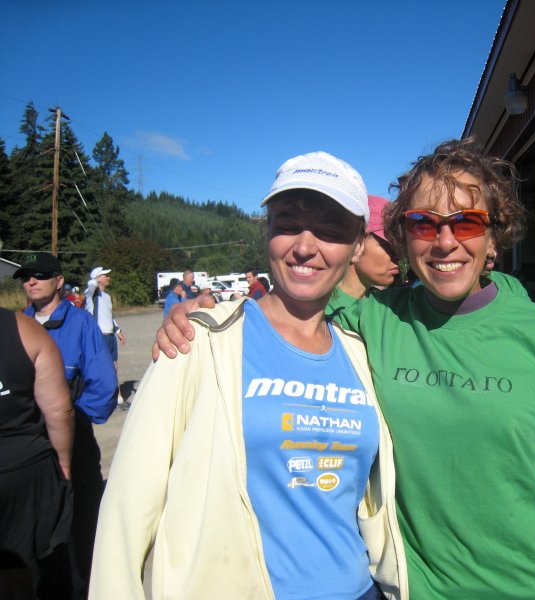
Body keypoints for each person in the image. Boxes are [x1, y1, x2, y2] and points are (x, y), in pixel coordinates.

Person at [156, 139, 535, 598]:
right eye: (422, 223)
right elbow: (288, 305)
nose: (445, 241)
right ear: (400, 237)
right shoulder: (373, 320)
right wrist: (207, 311)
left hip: (532, 585)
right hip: (417, 590)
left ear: (494, 235)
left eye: (468, 222)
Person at [90, 151, 406, 600]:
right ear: (268, 233)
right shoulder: (199, 341)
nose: (304, 246)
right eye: (288, 223)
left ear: (357, 246)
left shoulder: (361, 353)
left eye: (331, 231)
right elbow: (126, 506)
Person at [14, 252, 118, 598]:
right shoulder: (15, 326)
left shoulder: (81, 325)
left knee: (83, 525)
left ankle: (93, 587)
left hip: (75, 443)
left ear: (59, 281)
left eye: (40, 275)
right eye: (26, 276)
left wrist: (69, 419)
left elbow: (103, 387)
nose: (31, 281)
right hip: (30, 450)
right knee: (37, 534)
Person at [0, 308, 74, 600]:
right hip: (22, 472)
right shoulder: (23, 328)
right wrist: (64, 464)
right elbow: (59, 410)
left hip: (19, 470)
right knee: (21, 572)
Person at [329, 195, 400, 312]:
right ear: (358, 243)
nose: (397, 256)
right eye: (388, 246)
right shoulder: (317, 309)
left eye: (399, 249)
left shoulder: (390, 310)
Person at [85, 266, 127, 410]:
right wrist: (95, 280)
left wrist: (118, 330)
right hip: (99, 336)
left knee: (114, 367)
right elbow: (90, 287)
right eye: (105, 276)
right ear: (98, 278)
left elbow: (110, 316)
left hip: (110, 336)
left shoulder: (107, 297)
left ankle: (118, 399)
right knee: (103, 369)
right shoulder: (92, 295)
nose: (108, 278)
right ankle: (105, 400)